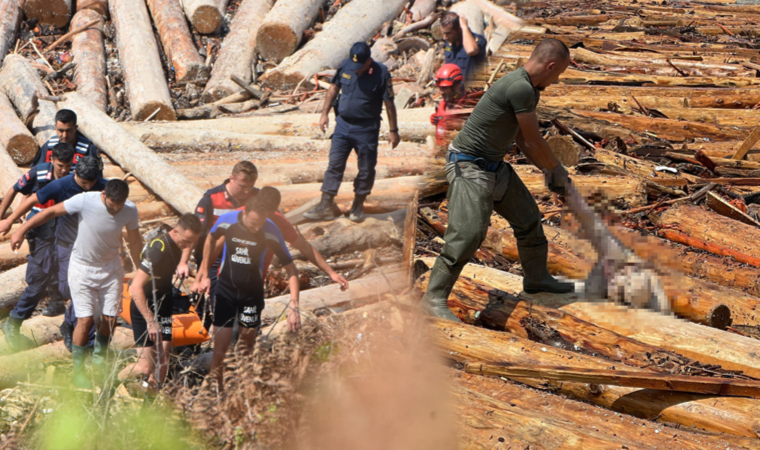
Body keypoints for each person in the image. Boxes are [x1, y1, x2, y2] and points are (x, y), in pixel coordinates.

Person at [422, 39, 574, 322]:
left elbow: (523, 142)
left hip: (492, 165)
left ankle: (537, 279)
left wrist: (550, 173)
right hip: (468, 165)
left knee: (528, 218)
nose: (557, 80)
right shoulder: (520, 87)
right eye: (559, 73)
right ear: (550, 66)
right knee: (467, 234)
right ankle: (433, 299)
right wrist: (557, 170)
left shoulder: (528, 88)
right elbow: (532, 139)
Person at [183, 161, 348, 332]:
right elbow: (214, 244)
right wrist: (202, 276)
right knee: (218, 321)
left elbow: (304, 248)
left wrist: (331, 273)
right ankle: (202, 349)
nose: (260, 224)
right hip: (226, 278)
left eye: (266, 218)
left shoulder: (277, 221)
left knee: (248, 331)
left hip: (254, 282)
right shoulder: (240, 215)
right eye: (257, 220)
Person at [11, 179, 141, 388]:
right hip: (82, 268)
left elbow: (135, 240)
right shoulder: (85, 200)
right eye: (111, 205)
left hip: (111, 269)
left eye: (120, 205)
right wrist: (20, 230)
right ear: (104, 195)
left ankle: (99, 362)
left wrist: (141, 268)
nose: (116, 210)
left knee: (109, 318)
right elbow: (50, 212)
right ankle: (78, 370)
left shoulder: (130, 210)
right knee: (85, 319)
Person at [192, 187, 301, 389]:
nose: (255, 228)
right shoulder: (228, 221)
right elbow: (210, 238)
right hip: (225, 292)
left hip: (251, 296)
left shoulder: (270, 230)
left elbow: (291, 270)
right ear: (243, 214)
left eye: (260, 224)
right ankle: (216, 391)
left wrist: (294, 306)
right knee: (220, 348)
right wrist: (205, 272)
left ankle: (245, 391)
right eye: (252, 224)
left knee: (247, 348)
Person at [303, 41, 400, 223]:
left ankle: (358, 203)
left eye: (360, 66)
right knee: (335, 164)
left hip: (366, 129)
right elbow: (333, 89)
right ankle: (325, 204)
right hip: (343, 125)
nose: (356, 69)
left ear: (368, 61)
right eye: (354, 65)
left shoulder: (381, 74)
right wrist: (324, 114)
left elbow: (389, 104)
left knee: (365, 169)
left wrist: (393, 131)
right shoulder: (346, 65)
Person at [0, 143, 75, 350]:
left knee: (71, 280)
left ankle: (67, 322)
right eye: (60, 165)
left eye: (67, 165)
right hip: (39, 230)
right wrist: (5, 219)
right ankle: (14, 321)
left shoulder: (75, 175)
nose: (64, 170)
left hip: (64, 230)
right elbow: (14, 190)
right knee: (37, 280)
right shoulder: (39, 173)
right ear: (52, 160)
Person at [118, 214, 202, 389]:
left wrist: (183, 262)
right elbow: (135, 288)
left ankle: (150, 406)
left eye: (191, 242)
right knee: (145, 366)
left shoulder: (183, 240)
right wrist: (150, 321)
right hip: (144, 308)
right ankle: (110, 384)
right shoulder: (158, 250)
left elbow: (189, 242)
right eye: (186, 241)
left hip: (163, 303)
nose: (188, 245)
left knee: (162, 364)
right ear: (176, 231)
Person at [31, 109, 103, 172]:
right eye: (61, 130)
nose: (64, 135)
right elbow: (37, 172)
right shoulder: (48, 147)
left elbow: (96, 177)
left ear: (75, 128)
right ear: (55, 127)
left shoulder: (89, 149)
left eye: (68, 131)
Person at [441, 12, 487, 83]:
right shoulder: (450, 42)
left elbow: (471, 50)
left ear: (459, 28)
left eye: (448, 33)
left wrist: (465, 27)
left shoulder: (477, 40)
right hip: (454, 90)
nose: (445, 37)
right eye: (443, 33)